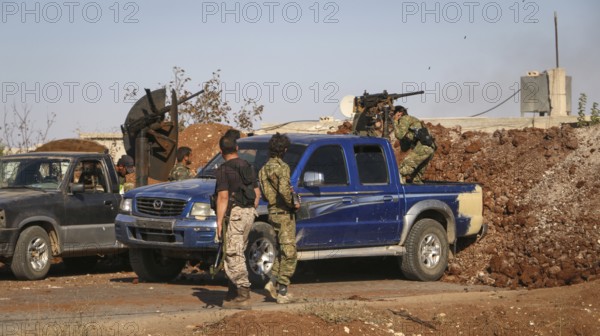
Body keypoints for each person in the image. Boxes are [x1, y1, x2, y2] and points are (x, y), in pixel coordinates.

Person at [215, 135, 259, 309]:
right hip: (249, 212)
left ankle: (243, 293)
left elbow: (223, 197)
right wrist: (250, 211)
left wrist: (219, 221)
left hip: (235, 214)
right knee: (238, 250)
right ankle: (232, 292)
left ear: (221, 152)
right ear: (237, 149)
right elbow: (257, 194)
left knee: (233, 253)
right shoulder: (248, 166)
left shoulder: (223, 170)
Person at [258, 133, 300, 304]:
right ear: (284, 149)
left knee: (282, 251)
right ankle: (282, 291)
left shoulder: (263, 169)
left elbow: (267, 194)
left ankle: (272, 281)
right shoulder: (282, 167)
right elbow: (284, 189)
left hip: (272, 212)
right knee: (290, 253)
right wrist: (293, 203)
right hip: (284, 214)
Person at [393, 105, 436, 184]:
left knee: (401, 171)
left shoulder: (404, 118)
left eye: (394, 114)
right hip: (430, 148)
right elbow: (405, 147)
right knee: (415, 178)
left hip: (423, 147)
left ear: (399, 113)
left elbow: (399, 135)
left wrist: (395, 121)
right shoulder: (413, 120)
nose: (393, 117)